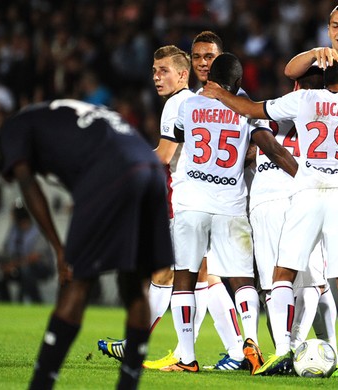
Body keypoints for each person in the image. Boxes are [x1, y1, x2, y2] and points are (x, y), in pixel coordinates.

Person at [202, 60, 338, 379]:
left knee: (283, 274)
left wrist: (219, 94)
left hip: (307, 194)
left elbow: (250, 109)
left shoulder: (305, 100)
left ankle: (281, 351)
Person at [0, 99, 174, 389]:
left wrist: (59, 248)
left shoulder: (15, 127)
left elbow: (29, 185)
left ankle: (40, 384)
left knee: (78, 283)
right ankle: (128, 383)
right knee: (135, 285)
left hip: (110, 172)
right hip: (152, 170)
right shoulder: (66, 113)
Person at [163, 53, 297, 373]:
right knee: (242, 280)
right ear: (238, 82)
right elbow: (273, 149)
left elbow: (181, 136)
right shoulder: (246, 109)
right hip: (231, 205)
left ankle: (186, 357)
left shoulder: (188, 105)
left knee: (185, 279)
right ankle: (251, 342)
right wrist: (305, 179)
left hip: (192, 203)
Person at [97, 44, 196, 369]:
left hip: (183, 201)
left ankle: (165, 350)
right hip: (208, 198)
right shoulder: (195, 102)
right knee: (197, 276)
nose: (157, 77)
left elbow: (165, 157)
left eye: (164, 70)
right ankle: (236, 349)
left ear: (183, 74)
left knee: (170, 274)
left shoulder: (176, 105)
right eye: (154, 71)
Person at [246, 66, 338, 356]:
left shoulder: (270, 111)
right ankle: (304, 346)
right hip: (305, 200)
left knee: (275, 286)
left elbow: (267, 146)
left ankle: (284, 351)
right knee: (313, 281)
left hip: (267, 201)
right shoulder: (328, 120)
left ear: (296, 86)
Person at [0, 202, 55, 303]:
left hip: (40, 268)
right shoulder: (14, 230)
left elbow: (35, 257)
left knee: (27, 271)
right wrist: (3, 265)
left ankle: (36, 302)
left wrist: (14, 265)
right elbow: (6, 249)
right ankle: (5, 305)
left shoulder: (37, 231)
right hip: (18, 266)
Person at [284, 2, 338, 79]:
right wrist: (313, 53)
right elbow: (289, 72)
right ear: (328, 30)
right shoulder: (321, 64)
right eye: (335, 26)